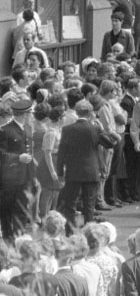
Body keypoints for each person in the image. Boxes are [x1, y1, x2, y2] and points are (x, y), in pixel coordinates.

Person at [57, 99, 105, 232]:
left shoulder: (67, 130)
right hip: (91, 170)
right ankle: (89, 233)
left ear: (77, 113)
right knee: (89, 206)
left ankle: (70, 232)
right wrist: (100, 127)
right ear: (90, 113)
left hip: (73, 171)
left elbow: (62, 152)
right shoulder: (95, 128)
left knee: (70, 204)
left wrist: (60, 172)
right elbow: (109, 142)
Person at [0, 99, 37, 239]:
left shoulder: (27, 129)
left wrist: (33, 177)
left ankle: (20, 240)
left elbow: (30, 154)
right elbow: (1, 153)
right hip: (10, 179)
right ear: (25, 114)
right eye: (30, 113)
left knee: (22, 211)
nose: (31, 115)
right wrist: (17, 158)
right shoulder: (6, 130)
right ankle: (9, 241)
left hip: (24, 177)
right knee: (7, 212)